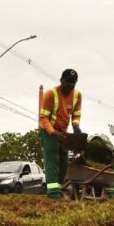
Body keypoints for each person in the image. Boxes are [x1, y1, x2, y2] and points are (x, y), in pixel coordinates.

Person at [39, 69, 82, 199]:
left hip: (63, 132)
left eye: (73, 83)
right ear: (61, 80)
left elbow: (76, 114)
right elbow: (43, 118)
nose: (71, 85)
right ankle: (52, 192)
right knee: (52, 158)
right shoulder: (50, 94)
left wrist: (76, 126)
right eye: (68, 82)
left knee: (63, 161)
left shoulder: (77, 95)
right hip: (48, 131)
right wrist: (52, 133)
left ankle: (58, 188)